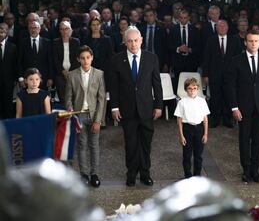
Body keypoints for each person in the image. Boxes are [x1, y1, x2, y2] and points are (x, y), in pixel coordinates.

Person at [109, 26, 163, 187]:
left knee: (146, 143)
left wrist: (159, 105)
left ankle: (145, 173)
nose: (133, 44)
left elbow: (157, 84)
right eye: (130, 41)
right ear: (125, 42)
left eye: (136, 41)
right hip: (127, 109)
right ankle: (131, 173)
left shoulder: (151, 58)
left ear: (141, 41)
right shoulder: (117, 60)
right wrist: (114, 107)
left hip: (147, 108)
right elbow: (114, 86)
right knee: (131, 143)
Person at [225, 30, 259, 183]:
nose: (253, 44)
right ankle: (246, 170)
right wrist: (234, 107)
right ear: (245, 42)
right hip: (243, 108)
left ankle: (255, 170)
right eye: (251, 41)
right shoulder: (236, 60)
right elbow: (231, 86)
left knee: (258, 140)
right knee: (244, 139)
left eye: (256, 41)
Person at [65, 45, 106, 188]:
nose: (85, 60)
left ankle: (94, 174)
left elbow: (101, 99)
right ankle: (84, 174)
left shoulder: (99, 74)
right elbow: (68, 97)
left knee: (94, 145)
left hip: (94, 114)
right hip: (79, 115)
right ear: (78, 59)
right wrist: (70, 108)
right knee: (82, 145)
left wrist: (98, 120)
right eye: (82, 58)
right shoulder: (72, 75)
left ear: (92, 58)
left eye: (88, 57)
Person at [202, 20, 241, 128]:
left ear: (228, 28)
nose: (222, 28)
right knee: (215, 97)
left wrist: (238, 73)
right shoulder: (211, 40)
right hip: (214, 74)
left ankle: (227, 119)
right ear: (216, 28)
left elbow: (238, 58)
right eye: (219, 26)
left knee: (228, 96)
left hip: (230, 75)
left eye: (224, 26)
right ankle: (215, 119)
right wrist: (205, 74)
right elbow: (206, 58)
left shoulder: (234, 40)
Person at [174, 78, 210, 178]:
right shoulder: (182, 102)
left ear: (198, 89)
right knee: (187, 155)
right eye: (189, 88)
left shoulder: (202, 101)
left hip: (199, 129)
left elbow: (205, 119)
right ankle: (188, 176)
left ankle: (197, 176)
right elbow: (179, 120)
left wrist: (205, 134)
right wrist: (181, 136)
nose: (192, 91)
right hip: (187, 129)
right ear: (186, 89)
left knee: (198, 155)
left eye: (194, 88)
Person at [52, 21, 80, 103]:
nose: (64, 31)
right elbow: (55, 59)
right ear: (59, 31)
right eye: (62, 29)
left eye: (67, 29)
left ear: (71, 30)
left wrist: (70, 72)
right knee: (63, 98)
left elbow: (77, 58)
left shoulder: (76, 42)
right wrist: (63, 71)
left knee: (74, 98)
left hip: (74, 73)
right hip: (60, 74)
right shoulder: (55, 42)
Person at [0, 23, 18, 119]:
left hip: (8, 80)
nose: (1, 34)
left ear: (6, 33)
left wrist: (16, 78)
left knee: (8, 102)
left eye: (3, 32)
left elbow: (15, 64)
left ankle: (8, 122)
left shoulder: (12, 47)